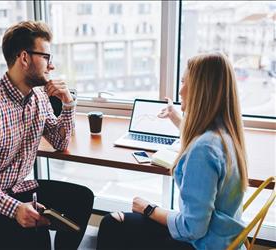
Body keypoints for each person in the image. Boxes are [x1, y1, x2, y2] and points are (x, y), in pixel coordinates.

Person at [0, 21, 94, 250]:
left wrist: (68, 104)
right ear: (24, 58)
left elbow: (60, 141)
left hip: (13, 188)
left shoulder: (39, 97)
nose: (51, 66)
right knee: (36, 235)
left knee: (81, 199)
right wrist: (14, 208)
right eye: (46, 57)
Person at [97, 52, 248, 250]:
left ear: (201, 91)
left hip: (203, 244)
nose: (180, 90)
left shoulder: (203, 150)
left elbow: (191, 229)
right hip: (226, 238)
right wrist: (176, 118)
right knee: (125, 221)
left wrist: (149, 209)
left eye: (185, 82)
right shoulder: (227, 135)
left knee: (112, 224)